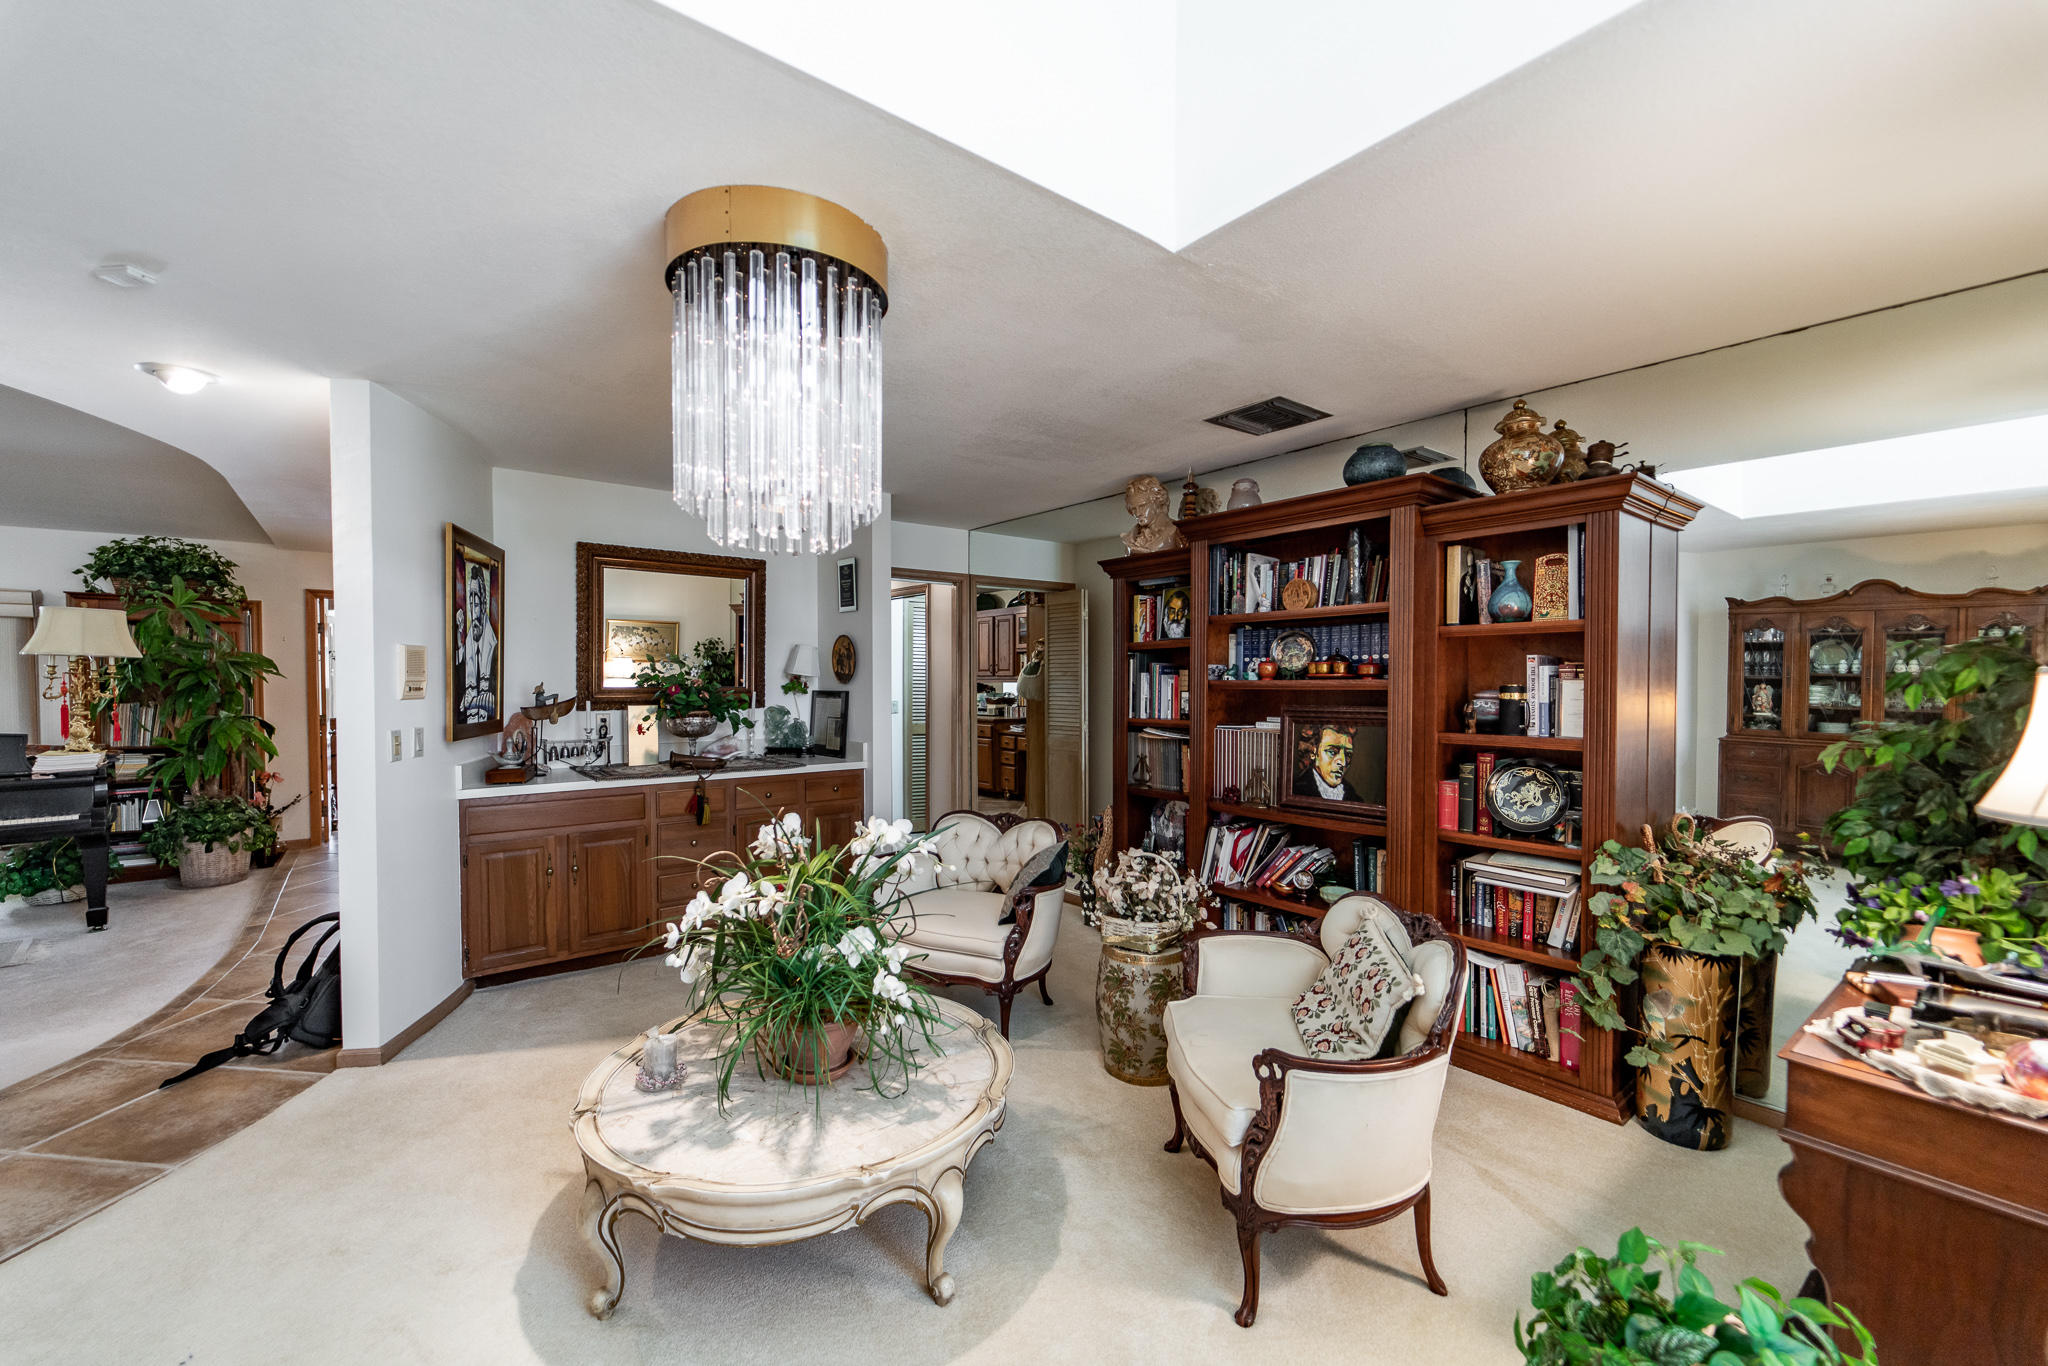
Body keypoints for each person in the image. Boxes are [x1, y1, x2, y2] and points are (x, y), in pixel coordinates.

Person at [1300, 724, 1353, 801]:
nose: (1343, 763)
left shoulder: (1353, 796)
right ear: (1313, 753)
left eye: (1348, 754)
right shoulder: (1298, 790)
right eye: (1332, 752)